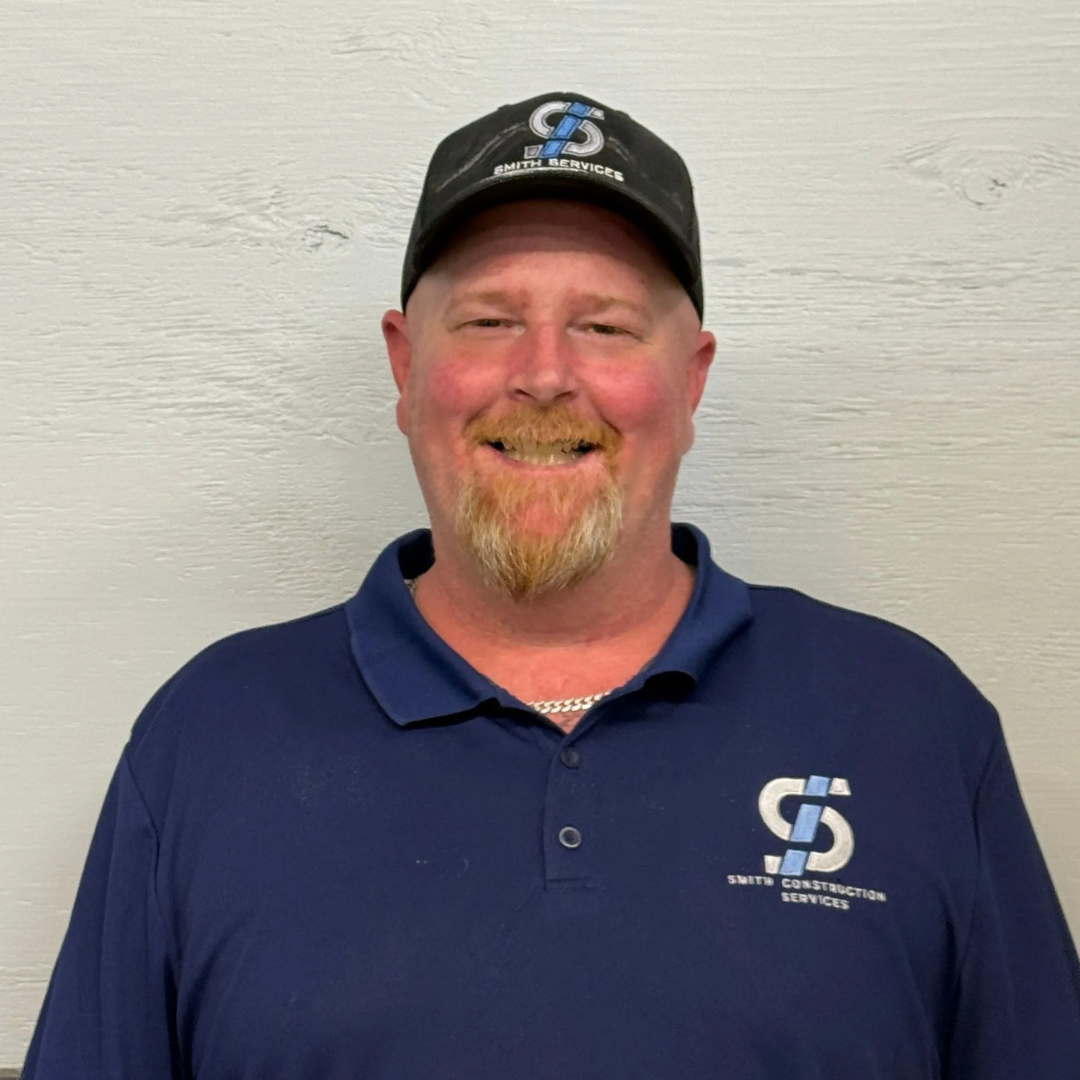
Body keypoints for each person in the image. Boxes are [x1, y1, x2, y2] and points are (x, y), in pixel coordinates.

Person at [23, 92, 1080, 1079]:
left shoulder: (910, 723)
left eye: (605, 326)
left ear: (691, 379)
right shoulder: (209, 737)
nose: (543, 374)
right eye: (489, 321)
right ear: (405, 367)